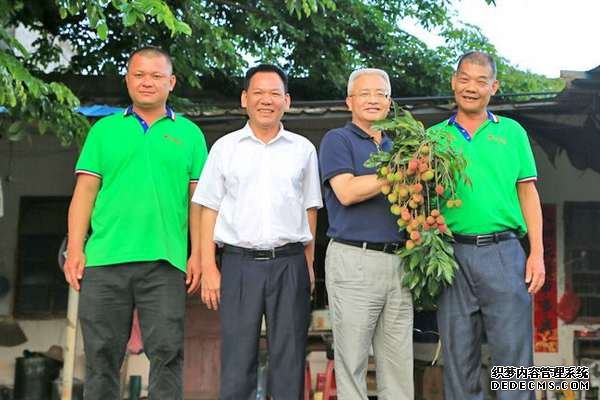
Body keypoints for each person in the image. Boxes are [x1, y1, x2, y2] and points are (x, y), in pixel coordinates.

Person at [64, 46, 208, 400]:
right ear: (128, 79)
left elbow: (198, 204)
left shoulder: (189, 135)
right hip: (103, 261)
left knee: (168, 354)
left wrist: (199, 254)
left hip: (165, 262)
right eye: (139, 75)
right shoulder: (104, 131)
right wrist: (76, 248)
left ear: (171, 82)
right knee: (101, 358)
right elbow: (84, 193)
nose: (147, 82)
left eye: (156, 76)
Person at [191, 64, 322, 400]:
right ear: (244, 98)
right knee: (237, 360)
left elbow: (310, 209)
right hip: (239, 265)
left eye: (275, 93)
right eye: (259, 93)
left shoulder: (303, 149)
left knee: (289, 359)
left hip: (290, 263)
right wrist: (209, 267)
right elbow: (208, 209)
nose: (267, 100)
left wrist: (307, 265)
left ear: (287, 101)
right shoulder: (225, 148)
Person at [431, 51, 545, 400]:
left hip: (504, 252)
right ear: (453, 82)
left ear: (493, 87)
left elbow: (528, 193)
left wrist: (537, 253)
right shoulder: (433, 137)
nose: (471, 87)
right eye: (464, 79)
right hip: (451, 257)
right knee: (458, 358)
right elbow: (421, 198)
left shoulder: (512, 133)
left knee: (513, 360)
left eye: (481, 81)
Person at [318, 68, 414, 400]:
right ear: (350, 101)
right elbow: (346, 191)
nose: (373, 99)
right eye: (365, 93)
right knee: (353, 363)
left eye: (381, 93)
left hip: (399, 262)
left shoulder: (398, 146)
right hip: (353, 259)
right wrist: (397, 173)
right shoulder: (338, 139)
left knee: (399, 366)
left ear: (390, 102)